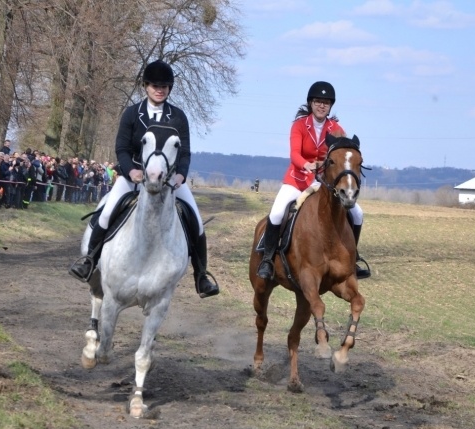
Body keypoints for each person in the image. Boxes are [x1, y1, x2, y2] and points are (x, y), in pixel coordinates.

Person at [69, 59, 220, 298]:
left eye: (164, 86)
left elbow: (185, 151)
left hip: (169, 181)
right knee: (107, 212)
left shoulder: (178, 117)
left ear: (169, 88)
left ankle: (201, 276)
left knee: (196, 221)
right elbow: (121, 148)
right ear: (145, 86)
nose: (159, 89)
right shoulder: (132, 113)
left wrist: (181, 174)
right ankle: (89, 260)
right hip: (135, 176)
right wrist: (131, 171)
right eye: (154, 85)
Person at [256, 81, 369, 280]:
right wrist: (307, 165)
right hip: (297, 180)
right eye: (318, 101)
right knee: (276, 213)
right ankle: (267, 258)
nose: (321, 105)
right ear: (311, 103)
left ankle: (353, 258)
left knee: (358, 214)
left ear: (330, 106)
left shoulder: (336, 128)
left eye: (326, 102)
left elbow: (342, 155)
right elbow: (294, 154)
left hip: (322, 184)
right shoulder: (299, 125)